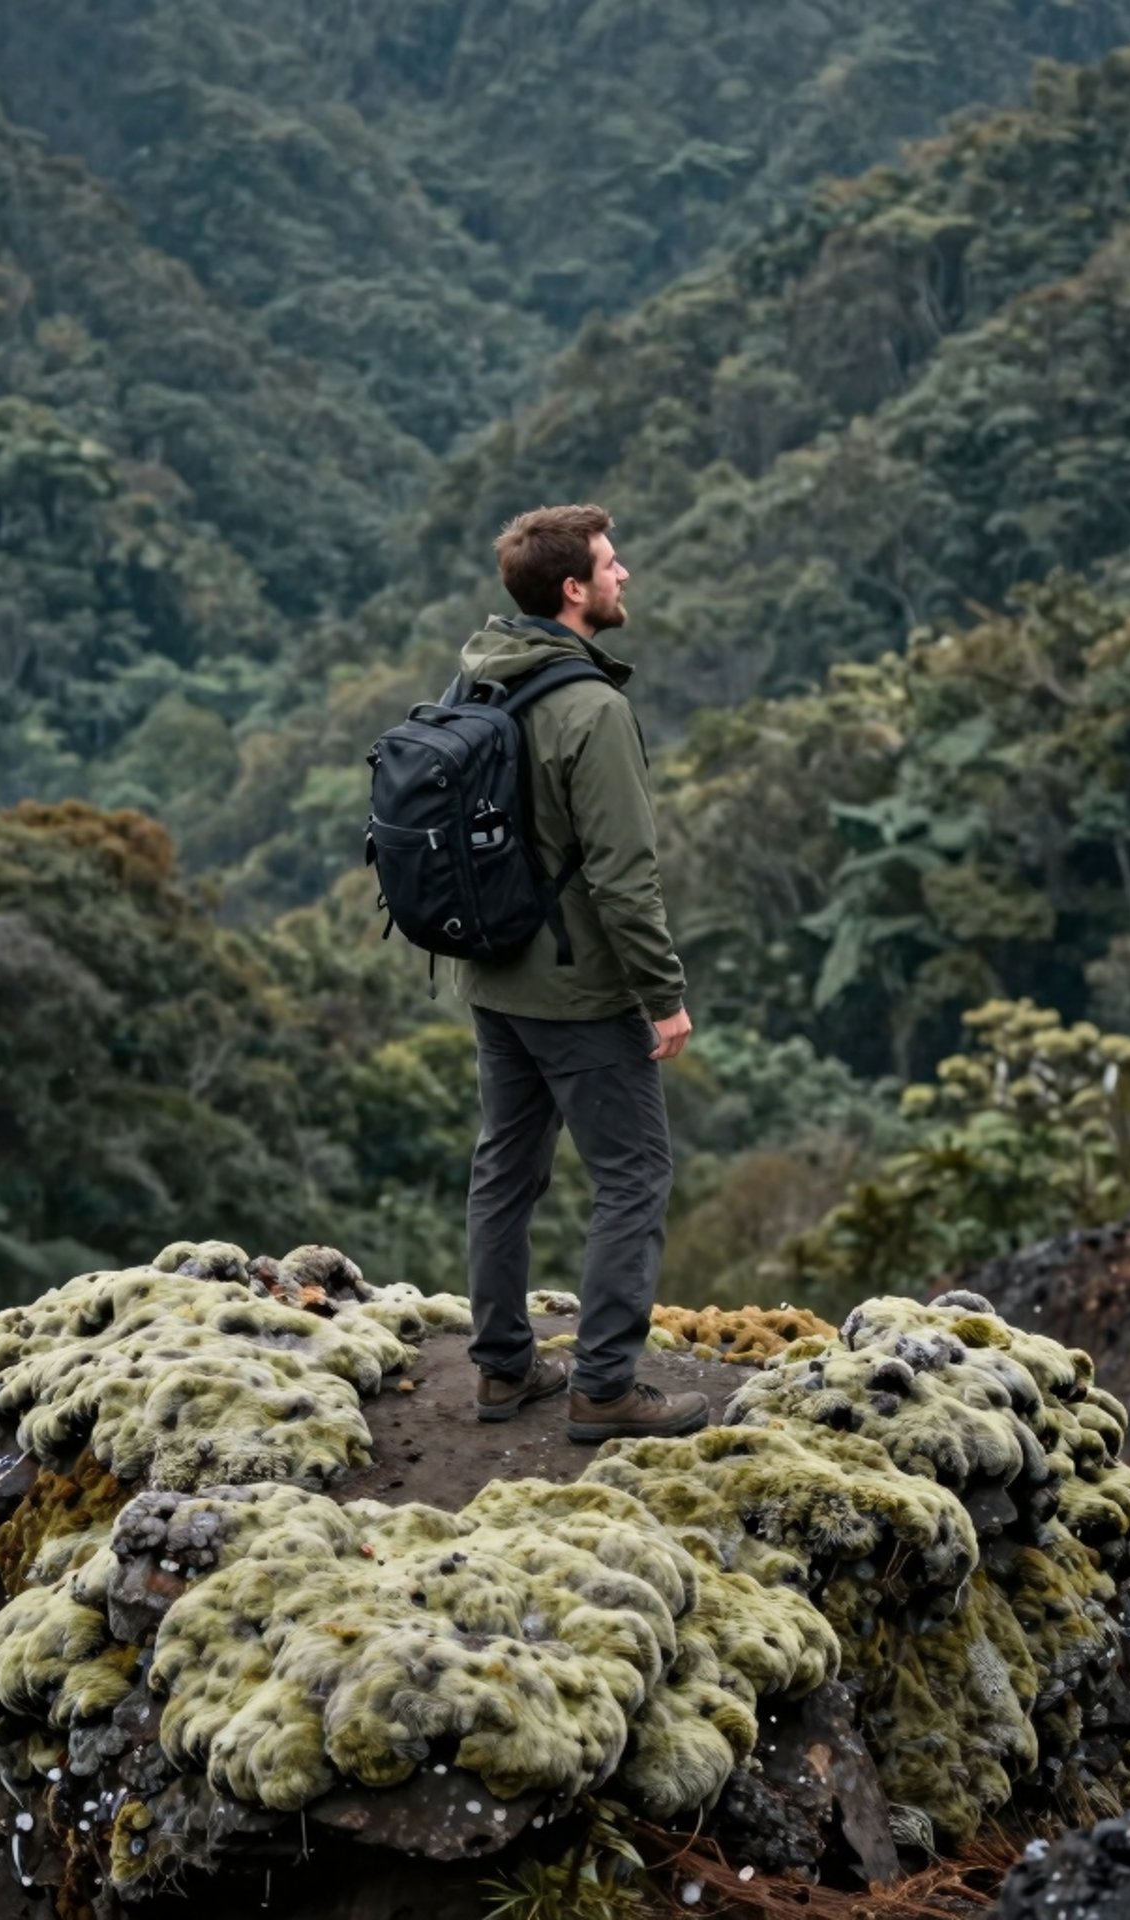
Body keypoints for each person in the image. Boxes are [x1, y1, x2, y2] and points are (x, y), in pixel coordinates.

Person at [457, 503, 709, 1443]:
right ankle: (604, 1387)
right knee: (636, 1174)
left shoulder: (482, 675)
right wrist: (664, 995)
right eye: (610, 564)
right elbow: (623, 876)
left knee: (507, 1170)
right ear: (573, 589)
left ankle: (502, 1367)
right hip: (577, 992)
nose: (624, 574)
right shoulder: (591, 709)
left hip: (493, 974)